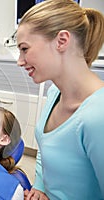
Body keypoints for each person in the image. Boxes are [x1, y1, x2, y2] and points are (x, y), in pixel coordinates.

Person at [16, 0, 104, 199]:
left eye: (24, 49)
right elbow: (45, 147)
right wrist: (40, 186)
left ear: (62, 40)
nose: (19, 61)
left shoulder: (98, 115)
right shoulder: (56, 92)